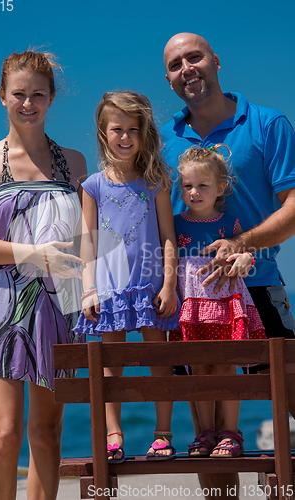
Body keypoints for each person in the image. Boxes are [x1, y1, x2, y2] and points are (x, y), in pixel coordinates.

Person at [162, 32, 295, 498]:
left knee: (291, 394)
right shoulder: (164, 140)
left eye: (194, 57)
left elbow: (293, 207)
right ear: (169, 79)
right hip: (194, 304)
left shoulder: (267, 124)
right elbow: (143, 219)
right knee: (210, 425)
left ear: (216, 61)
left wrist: (241, 243)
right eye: (176, 64)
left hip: (259, 287)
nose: (187, 68)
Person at [0, 50, 87, 500]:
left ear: (51, 98)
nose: (28, 103)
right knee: (5, 434)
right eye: (19, 94)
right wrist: (33, 253)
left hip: (61, 308)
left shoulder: (74, 163)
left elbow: (87, 242)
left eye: (38, 94)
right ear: (2, 97)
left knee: (47, 434)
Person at [74, 90, 178, 462]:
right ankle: (112, 435)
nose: (125, 136)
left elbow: (168, 236)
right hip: (109, 290)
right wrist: (88, 290)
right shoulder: (93, 186)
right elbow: (87, 243)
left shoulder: (157, 182)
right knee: (110, 365)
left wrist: (169, 284)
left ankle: (163, 433)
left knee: (158, 360)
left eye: (133, 129)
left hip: (150, 288)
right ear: (104, 133)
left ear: (144, 132)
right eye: (117, 129)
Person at [172, 144, 266, 458]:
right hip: (193, 308)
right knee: (198, 367)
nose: (194, 192)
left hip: (226, 305)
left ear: (220, 188)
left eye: (203, 185)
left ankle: (230, 433)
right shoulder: (176, 223)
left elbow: (246, 255)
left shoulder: (230, 223)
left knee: (226, 366)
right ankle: (206, 433)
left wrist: (244, 258)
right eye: (187, 186)